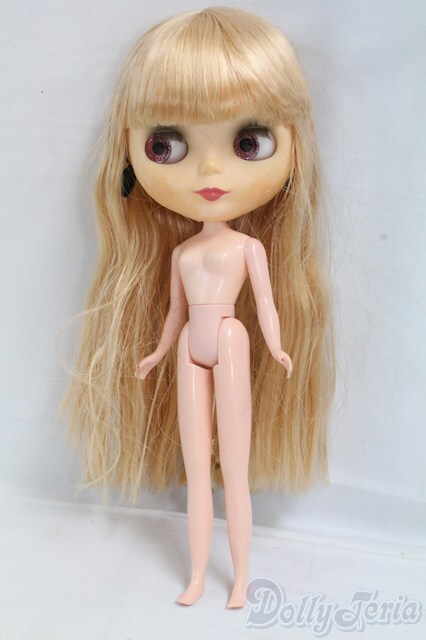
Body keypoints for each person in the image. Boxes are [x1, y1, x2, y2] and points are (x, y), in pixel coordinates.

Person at [59, 7, 335, 608]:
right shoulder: (183, 252)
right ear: (129, 154)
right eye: (167, 144)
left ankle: (241, 578)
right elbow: (174, 314)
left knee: (233, 467)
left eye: (249, 143)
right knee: (195, 468)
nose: (211, 170)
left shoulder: (248, 247)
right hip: (189, 345)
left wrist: (278, 346)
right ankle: (195, 576)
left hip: (231, 339)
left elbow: (265, 302)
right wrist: (156, 352)